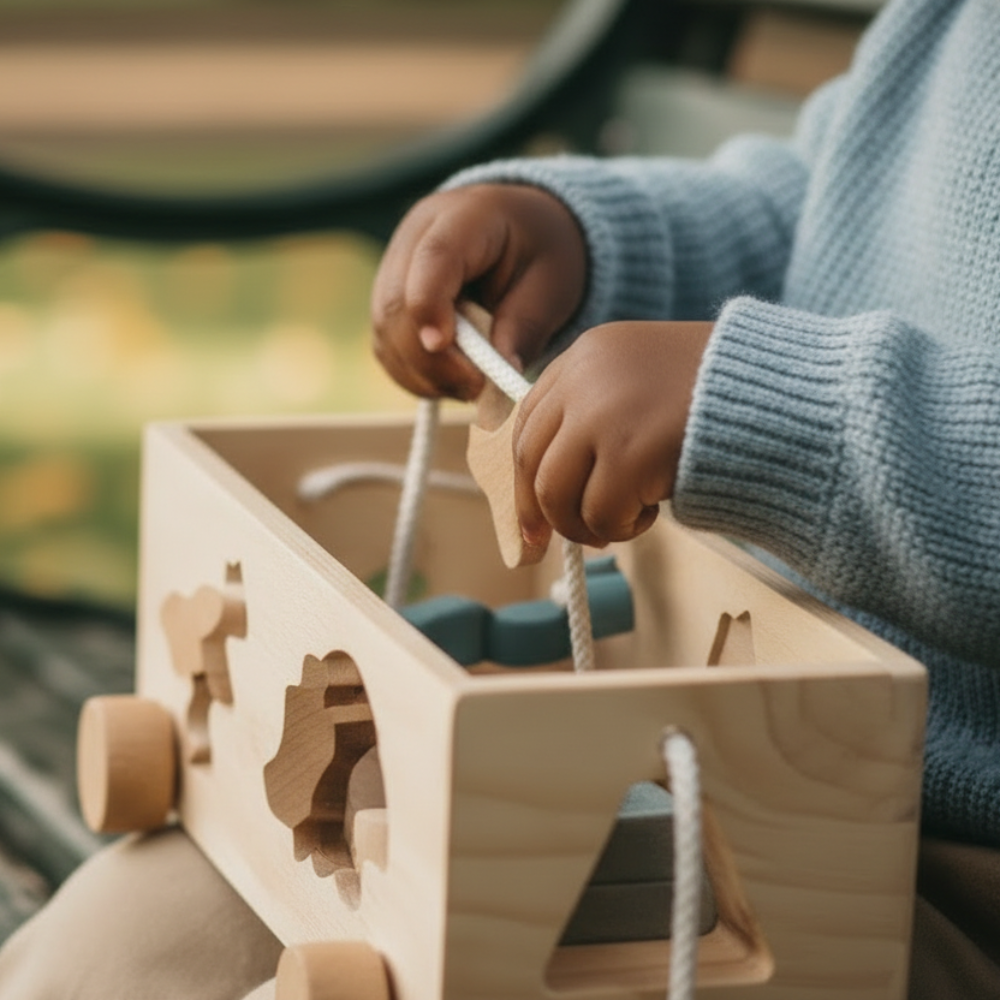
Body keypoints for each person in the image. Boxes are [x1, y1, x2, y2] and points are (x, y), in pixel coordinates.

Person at [2, 0, 999, 996]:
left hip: (925, 879)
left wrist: (772, 408)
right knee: (122, 940)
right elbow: (820, 208)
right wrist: (583, 242)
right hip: (716, 782)